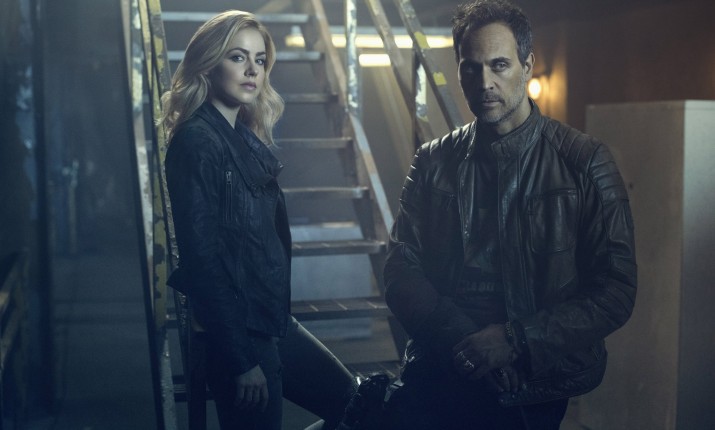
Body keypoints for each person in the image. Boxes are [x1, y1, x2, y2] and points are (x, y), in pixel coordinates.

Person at [382, 0, 637, 429]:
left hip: (536, 378)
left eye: (499, 65)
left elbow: (616, 289)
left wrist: (516, 341)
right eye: (471, 68)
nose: (485, 82)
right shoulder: (432, 161)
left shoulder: (584, 161)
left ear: (528, 65)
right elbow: (399, 268)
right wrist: (466, 344)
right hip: (446, 364)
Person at [161, 11, 355, 430]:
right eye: (237, 57)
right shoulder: (197, 142)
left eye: (260, 59)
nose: (252, 70)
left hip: (269, 322)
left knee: (358, 406)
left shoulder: (239, 137)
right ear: (209, 64)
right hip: (238, 335)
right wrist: (240, 360)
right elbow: (203, 261)